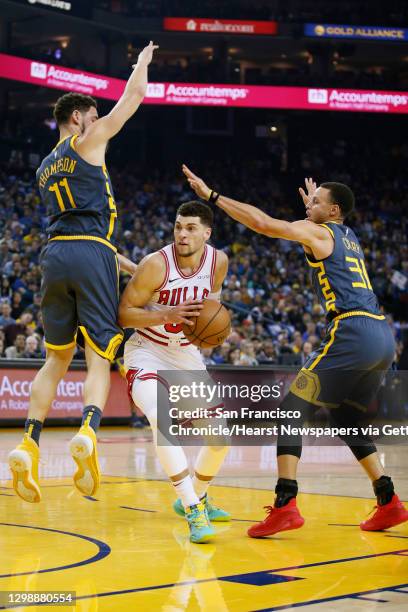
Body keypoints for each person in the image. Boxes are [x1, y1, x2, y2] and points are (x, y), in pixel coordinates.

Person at [183, 166, 408, 536]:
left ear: (333, 211)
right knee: (345, 418)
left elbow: (263, 223)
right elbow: (321, 236)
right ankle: (389, 500)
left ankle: (285, 504)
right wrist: (313, 214)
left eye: (317, 201)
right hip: (382, 336)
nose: (309, 204)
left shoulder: (319, 231)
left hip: (352, 330)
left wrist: (212, 196)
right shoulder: (347, 235)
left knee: (290, 409)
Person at [8, 41, 158, 504]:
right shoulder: (86, 141)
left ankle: (28, 441)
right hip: (92, 251)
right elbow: (131, 102)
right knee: (97, 358)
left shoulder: (44, 167)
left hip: (55, 256)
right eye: (92, 115)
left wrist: (134, 265)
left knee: (54, 358)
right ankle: (87, 432)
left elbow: (77, 231)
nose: (98, 122)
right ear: (77, 119)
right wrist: (140, 65)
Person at [119, 201, 230, 543]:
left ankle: (198, 495)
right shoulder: (155, 264)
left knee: (220, 439)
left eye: (191, 228)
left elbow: (208, 311)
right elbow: (124, 314)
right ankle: (192, 510)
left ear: (206, 233)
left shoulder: (218, 262)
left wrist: (209, 330)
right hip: (147, 352)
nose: (182, 233)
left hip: (185, 356)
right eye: (179, 226)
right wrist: (166, 314)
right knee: (162, 419)